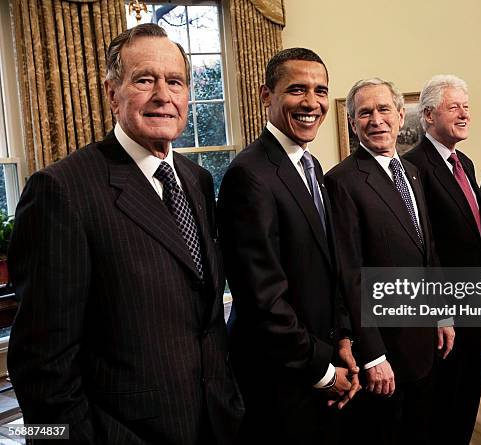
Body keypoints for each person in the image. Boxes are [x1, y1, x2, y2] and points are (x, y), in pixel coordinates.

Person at [7, 23, 243, 444]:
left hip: (215, 422)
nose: (163, 96)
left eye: (175, 82)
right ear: (111, 92)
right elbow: (41, 369)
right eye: (144, 80)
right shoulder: (61, 191)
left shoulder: (198, 180)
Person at [217, 48, 359, 445]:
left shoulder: (311, 165)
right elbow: (263, 299)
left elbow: (330, 267)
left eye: (320, 90)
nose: (312, 102)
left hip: (320, 356)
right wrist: (324, 372)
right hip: (279, 375)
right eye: (297, 90)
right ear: (266, 96)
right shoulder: (249, 174)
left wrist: (343, 338)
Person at [325, 78, 453, 444]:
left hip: (425, 337)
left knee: (423, 429)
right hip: (386, 351)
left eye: (384, 110)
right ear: (353, 123)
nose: (375, 119)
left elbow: (428, 249)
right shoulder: (343, 181)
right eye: (364, 113)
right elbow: (350, 274)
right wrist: (373, 355)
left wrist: (442, 314)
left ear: (401, 116)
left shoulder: (412, 172)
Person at [403, 74, 481, 444]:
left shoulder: (465, 162)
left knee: (469, 391)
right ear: (427, 116)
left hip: (477, 301)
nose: (464, 114)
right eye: (453, 107)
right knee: (445, 400)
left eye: (466, 107)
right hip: (445, 308)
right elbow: (424, 244)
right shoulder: (413, 168)